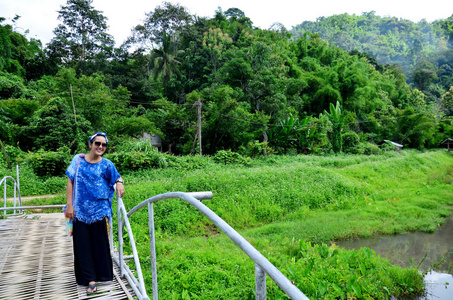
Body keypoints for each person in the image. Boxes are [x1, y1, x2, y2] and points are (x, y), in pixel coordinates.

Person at [65, 132, 125, 295]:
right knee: (83, 247)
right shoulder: (78, 160)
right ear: (90, 144)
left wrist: (119, 183)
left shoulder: (106, 164)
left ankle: (103, 275)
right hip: (79, 211)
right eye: (97, 143)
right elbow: (70, 181)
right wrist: (69, 205)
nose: (100, 147)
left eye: (104, 145)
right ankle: (90, 279)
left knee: (100, 245)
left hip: (100, 211)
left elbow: (116, 177)